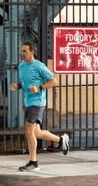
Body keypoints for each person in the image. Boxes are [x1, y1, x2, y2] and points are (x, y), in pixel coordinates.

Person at [11, 41, 70, 172]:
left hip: (37, 102)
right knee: (36, 133)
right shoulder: (22, 67)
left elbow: (53, 80)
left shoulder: (39, 66)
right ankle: (61, 140)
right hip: (28, 102)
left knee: (28, 130)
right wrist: (18, 86)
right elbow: (26, 82)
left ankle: (34, 163)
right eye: (22, 51)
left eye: (25, 51)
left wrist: (39, 87)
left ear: (32, 52)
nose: (22, 53)